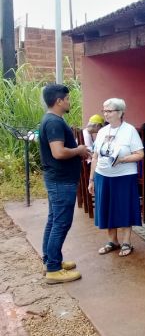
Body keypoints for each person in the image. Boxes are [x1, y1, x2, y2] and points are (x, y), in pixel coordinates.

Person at [39, 84, 90, 284]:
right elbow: (58, 152)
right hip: (61, 180)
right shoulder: (53, 122)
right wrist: (78, 150)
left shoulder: (52, 120)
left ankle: (51, 260)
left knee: (54, 220)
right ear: (59, 101)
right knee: (61, 222)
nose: (69, 102)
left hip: (57, 179)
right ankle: (53, 269)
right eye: (67, 99)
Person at [88, 98, 144, 257]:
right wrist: (91, 179)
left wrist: (122, 160)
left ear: (120, 112)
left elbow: (140, 154)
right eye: (104, 110)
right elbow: (95, 156)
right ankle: (112, 241)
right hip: (103, 175)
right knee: (106, 207)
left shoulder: (130, 130)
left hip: (124, 176)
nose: (105, 113)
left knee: (124, 207)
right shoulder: (102, 132)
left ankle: (126, 242)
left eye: (109, 110)